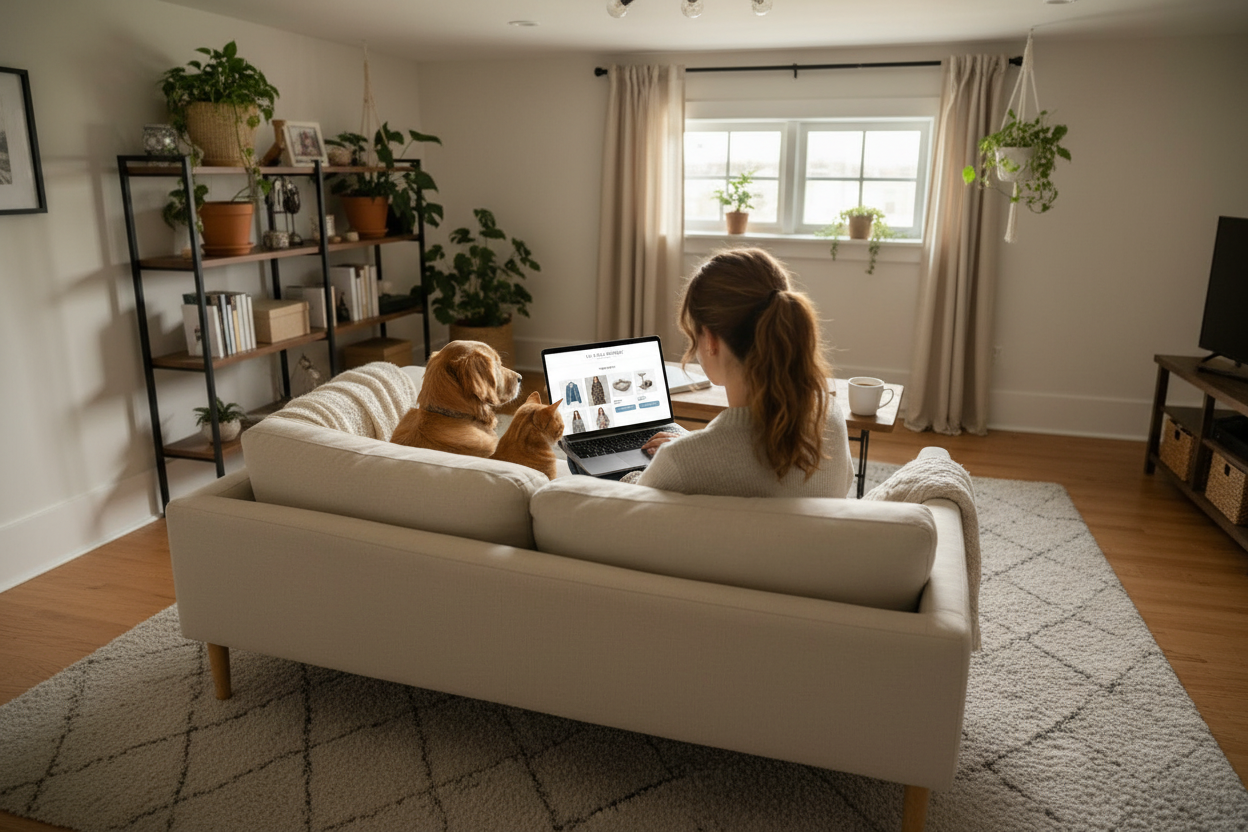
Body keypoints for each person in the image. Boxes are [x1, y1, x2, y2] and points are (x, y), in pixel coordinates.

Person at [623, 247, 854, 498]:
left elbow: (630, 505)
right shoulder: (830, 416)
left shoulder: (680, 463)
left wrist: (642, 470)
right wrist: (694, 443)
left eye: (693, 334)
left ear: (710, 339)